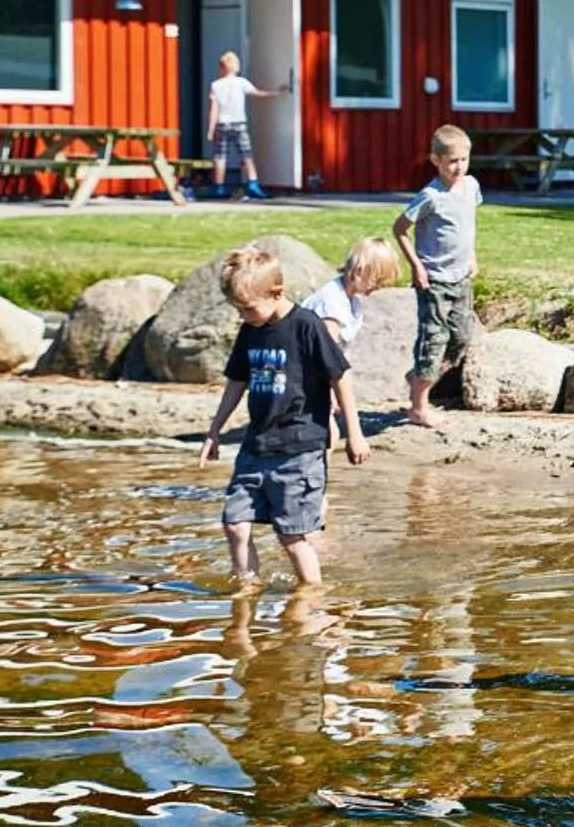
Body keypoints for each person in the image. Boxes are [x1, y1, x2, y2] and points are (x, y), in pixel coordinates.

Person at [202, 245, 369, 587]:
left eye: (248, 308)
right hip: (256, 445)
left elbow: (340, 375)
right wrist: (214, 430)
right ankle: (246, 588)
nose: (243, 316)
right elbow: (237, 381)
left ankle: (312, 593)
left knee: (291, 535)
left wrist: (354, 433)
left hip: (300, 449)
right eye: (238, 309)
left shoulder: (306, 326)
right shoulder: (251, 330)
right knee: (235, 524)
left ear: (276, 292)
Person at [392, 124, 481, 429]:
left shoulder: (471, 186)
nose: (459, 167)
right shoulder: (430, 196)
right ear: (436, 160)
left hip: (461, 276)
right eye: (452, 161)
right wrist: (417, 266)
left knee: (461, 337)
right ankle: (418, 407)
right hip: (435, 280)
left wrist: (472, 255)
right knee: (434, 340)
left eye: (464, 160)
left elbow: (467, 225)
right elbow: (399, 229)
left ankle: (418, 378)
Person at [205, 51, 289, 200]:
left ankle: (218, 187)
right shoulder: (241, 82)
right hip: (239, 124)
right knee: (246, 155)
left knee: (220, 156)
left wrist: (211, 130)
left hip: (223, 124)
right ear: (236, 67)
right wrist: (276, 92)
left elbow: (214, 110)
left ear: (222, 67)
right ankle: (253, 183)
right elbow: (258, 93)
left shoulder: (216, 85)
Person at [301, 235, 400, 349]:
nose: (379, 287)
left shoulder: (350, 298)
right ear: (359, 272)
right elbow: (326, 352)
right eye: (377, 281)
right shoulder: (332, 304)